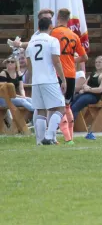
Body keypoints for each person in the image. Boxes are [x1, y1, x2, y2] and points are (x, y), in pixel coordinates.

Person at [25, 17, 67, 145]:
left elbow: (28, 61)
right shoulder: (52, 40)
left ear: (38, 28)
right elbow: (56, 61)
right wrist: (63, 79)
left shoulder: (31, 42)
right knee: (61, 109)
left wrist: (34, 74)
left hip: (36, 80)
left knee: (41, 110)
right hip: (49, 79)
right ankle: (49, 136)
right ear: (51, 27)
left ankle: (40, 141)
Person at [50, 8, 88, 145]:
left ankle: (65, 137)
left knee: (58, 106)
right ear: (68, 18)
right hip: (71, 74)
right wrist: (73, 60)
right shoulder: (74, 35)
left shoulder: (54, 33)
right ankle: (70, 138)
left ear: (58, 17)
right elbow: (84, 57)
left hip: (57, 73)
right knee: (67, 106)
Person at [70, 56, 102, 139]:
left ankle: (68, 127)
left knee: (77, 105)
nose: (98, 64)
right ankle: (64, 124)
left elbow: (100, 89)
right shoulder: (93, 73)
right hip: (87, 93)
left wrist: (89, 89)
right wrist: (84, 88)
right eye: (96, 62)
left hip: (94, 96)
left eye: (100, 62)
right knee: (72, 100)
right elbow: (85, 83)